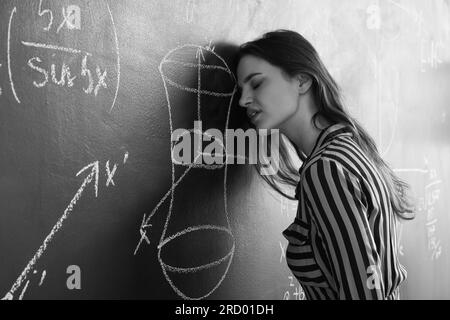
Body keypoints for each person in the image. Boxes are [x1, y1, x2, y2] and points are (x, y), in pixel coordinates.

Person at [235, 30, 414, 300]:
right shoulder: (347, 149)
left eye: (257, 84)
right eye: (241, 90)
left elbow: (363, 295)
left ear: (302, 81)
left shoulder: (326, 169)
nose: (243, 100)